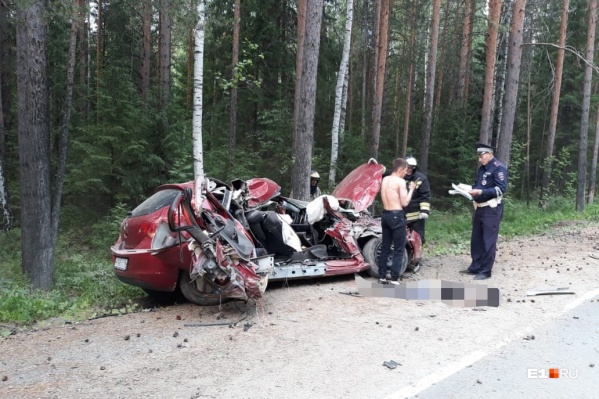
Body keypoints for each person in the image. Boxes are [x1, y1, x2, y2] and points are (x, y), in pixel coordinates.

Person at [459, 142, 508, 281]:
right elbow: (478, 185)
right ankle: (475, 266)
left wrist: (481, 191)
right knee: (476, 239)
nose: (479, 159)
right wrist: (469, 190)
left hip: (491, 209)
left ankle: (486, 270)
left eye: (482, 156)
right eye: (479, 156)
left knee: (488, 240)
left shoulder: (498, 168)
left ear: (490, 154)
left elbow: (500, 189)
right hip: (479, 207)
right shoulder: (482, 169)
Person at [378, 158, 416, 284]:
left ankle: (382, 276)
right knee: (399, 248)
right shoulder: (400, 182)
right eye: (405, 170)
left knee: (385, 247)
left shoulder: (385, 179)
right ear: (400, 169)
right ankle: (395, 278)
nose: (406, 172)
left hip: (386, 215)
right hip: (397, 215)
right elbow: (404, 202)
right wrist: (411, 189)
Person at [404, 157, 431, 244]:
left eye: (411, 167)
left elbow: (425, 196)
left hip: (416, 215)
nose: (408, 169)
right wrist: (377, 166)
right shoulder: (399, 176)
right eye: (407, 167)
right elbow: (387, 172)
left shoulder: (421, 179)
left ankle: (417, 253)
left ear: (414, 168)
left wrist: (424, 211)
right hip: (402, 214)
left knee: (418, 236)